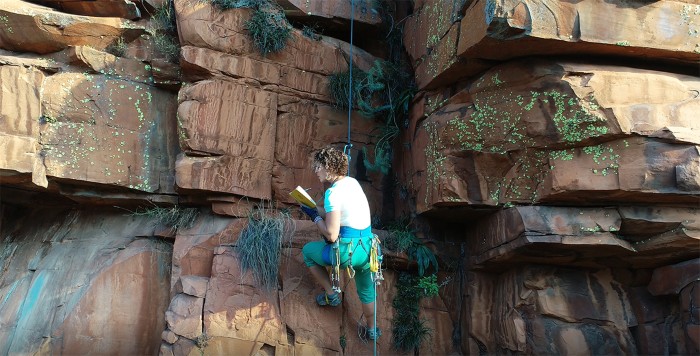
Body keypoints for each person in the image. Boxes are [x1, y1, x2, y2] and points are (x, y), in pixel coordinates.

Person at [299, 146, 381, 340]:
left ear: (327, 167)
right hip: (368, 250)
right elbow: (339, 215)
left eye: (318, 166)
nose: (315, 170)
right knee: (367, 291)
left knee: (308, 252)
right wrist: (313, 208)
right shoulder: (352, 183)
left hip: (346, 252)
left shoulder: (332, 193)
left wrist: (314, 218)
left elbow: (332, 234)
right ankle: (372, 329)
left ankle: (331, 294)